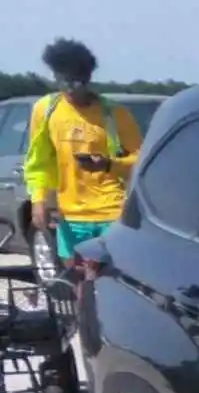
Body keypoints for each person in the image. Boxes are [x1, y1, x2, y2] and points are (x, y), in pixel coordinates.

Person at [22, 38, 143, 272]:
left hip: (111, 210)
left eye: (75, 82)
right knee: (76, 278)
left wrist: (108, 165)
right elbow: (40, 161)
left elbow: (141, 161)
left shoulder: (114, 114)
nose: (68, 88)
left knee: (105, 278)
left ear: (87, 79)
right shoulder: (46, 109)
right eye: (61, 80)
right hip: (70, 213)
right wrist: (38, 200)